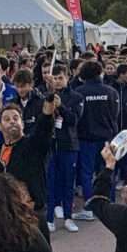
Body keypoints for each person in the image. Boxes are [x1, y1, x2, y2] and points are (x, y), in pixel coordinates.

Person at [0, 96, 54, 216]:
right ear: (0, 126)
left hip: (31, 212)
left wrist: (49, 102)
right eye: (7, 119)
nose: (12, 121)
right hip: (3, 214)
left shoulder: (33, 146)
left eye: (16, 118)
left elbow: (44, 127)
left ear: (22, 123)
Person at [72, 58, 123, 216]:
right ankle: (110, 202)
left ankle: (90, 206)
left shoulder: (79, 93)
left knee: (87, 173)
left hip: (86, 138)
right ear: (100, 73)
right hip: (106, 138)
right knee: (108, 169)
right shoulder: (111, 92)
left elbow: (77, 118)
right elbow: (116, 114)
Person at [45, 63, 83, 233]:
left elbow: (74, 120)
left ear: (67, 78)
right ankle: (49, 219)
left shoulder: (76, 97)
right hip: (50, 146)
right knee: (51, 182)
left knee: (68, 182)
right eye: (55, 78)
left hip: (69, 145)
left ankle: (68, 217)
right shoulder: (46, 96)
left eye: (61, 78)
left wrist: (61, 106)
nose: (58, 81)